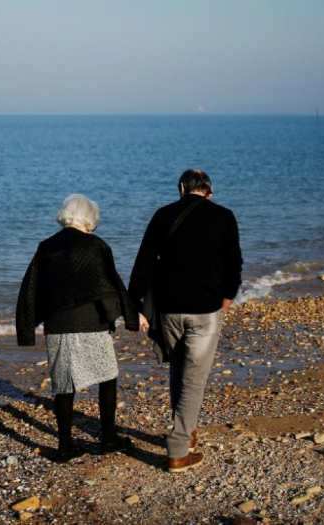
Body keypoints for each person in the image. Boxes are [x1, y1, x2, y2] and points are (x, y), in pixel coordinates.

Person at [16, 194, 148, 462]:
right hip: (92, 323)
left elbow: (31, 289)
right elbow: (110, 286)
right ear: (89, 219)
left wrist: (28, 325)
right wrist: (131, 315)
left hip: (58, 324)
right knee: (108, 376)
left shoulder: (46, 246)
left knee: (63, 385)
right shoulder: (95, 246)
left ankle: (65, 447)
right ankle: (108, 439)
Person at [129, 169, 242, 473]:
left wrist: (135, 303)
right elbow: (234, 264)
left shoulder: (163, 215)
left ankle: (188, 433)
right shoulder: (224, 216)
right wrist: (227, 300)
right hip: (205, 309)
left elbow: (144, 262)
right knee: (194, 379)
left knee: (179, 370)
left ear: (181, 188)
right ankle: (179, 450)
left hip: (168, 310)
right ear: (209, 190)